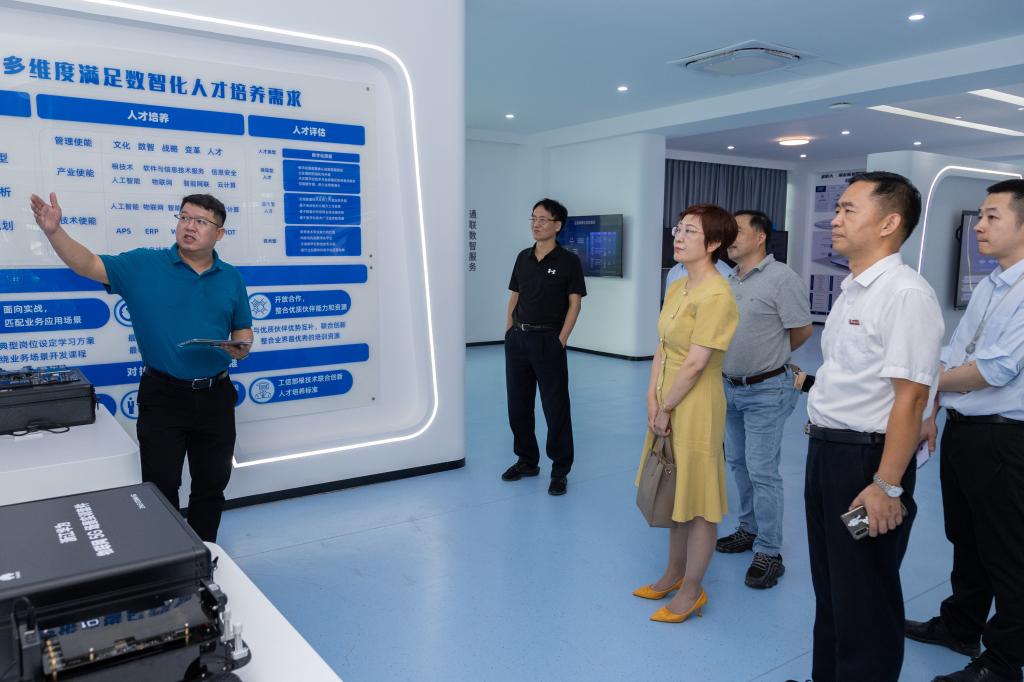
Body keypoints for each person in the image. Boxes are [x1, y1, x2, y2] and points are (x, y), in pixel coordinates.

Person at [30, 192, 253, 542]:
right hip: (163, 396)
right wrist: (54, 232)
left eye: (200, 221)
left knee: (211, 485)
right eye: (184, 217)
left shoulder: (231, 278)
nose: (189, 226)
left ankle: (204, 557)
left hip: (216, 395)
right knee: (160, 487)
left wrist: (241, 347)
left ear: (219, 233)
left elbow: (242, 330)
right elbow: (87, 263)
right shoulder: (143, 265)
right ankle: (169, 558)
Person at [803, 171, 944, 681]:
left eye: (849, 210)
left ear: (888, 223)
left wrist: (886, 485)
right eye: (838, 209)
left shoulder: (905, 294)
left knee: (864, 590)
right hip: (828, 454)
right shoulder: (854, 290)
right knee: (831, 584)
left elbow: (911, 398)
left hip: (867, 465)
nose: (835, 220)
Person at [906, 179, 1024, 682]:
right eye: (981, 214)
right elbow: (956, 354)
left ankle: (1002, 663)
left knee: (1007, 551)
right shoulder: (993, 283)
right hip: (966, 430)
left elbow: (992, 370)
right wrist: (931, 410)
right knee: (966, 538)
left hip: (1004, 439)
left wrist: (917, 382)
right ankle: (960, 626)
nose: (979, 225)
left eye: (993, 216)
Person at [632, 204, 739, 623]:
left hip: (696, 404)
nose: (679, 236)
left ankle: (693, 590)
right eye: (679, 228)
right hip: (667, 398)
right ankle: (673, 573)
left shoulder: (717, 295)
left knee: (699, 499)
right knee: (675, 488)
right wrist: (651, 398)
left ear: (714, 243)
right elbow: (662, 346)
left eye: (691, 231)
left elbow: (695, 364)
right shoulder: (678, 286)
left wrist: (667, 407)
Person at [716, 210, 813, 589]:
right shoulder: (728, 278)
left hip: (766, 390)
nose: (730, 238)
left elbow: (802, 330)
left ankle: (770, 551)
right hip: (729, 386)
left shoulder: (782, 278)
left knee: (762, 469)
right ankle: (749, 528)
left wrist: (772, 357)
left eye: (737, 231)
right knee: (739, 463)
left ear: (760, 237)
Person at [501, 198, 586, 496]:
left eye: (543, 219)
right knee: (518, 405)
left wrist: (561, 339)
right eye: (533, 218)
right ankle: (527, 461)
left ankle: (560, 470)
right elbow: (515, 295)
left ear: (557, 225)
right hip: (518, 340)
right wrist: (509, 331)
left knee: (555, 407)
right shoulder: (523, 257)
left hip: (548, 341)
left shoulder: (569, 262)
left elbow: (575, 304)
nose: (536, 224)